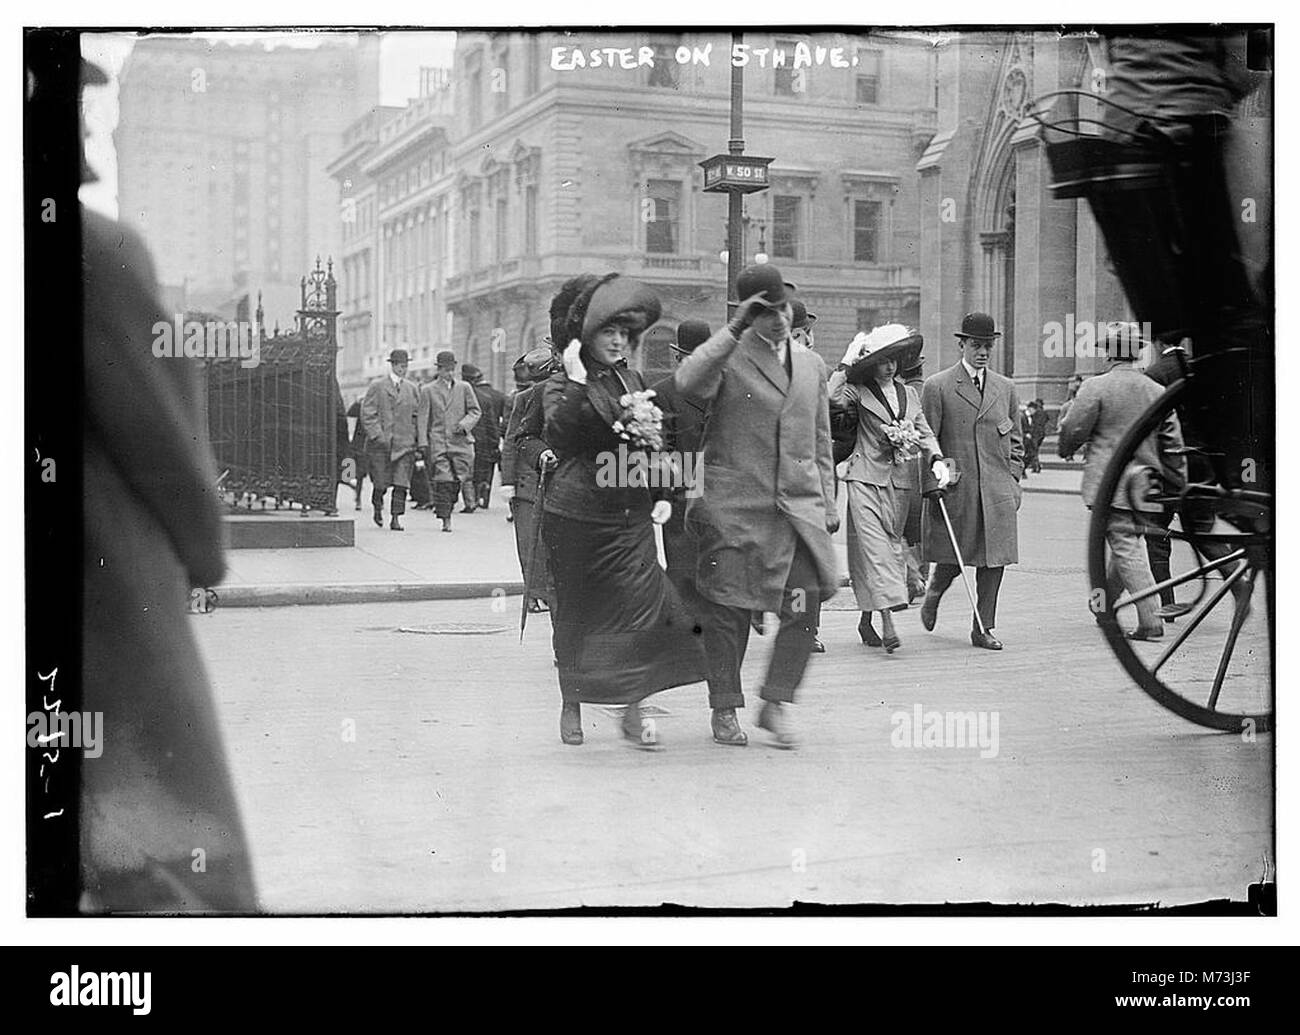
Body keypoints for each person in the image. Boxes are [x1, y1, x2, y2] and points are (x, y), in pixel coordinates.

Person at [82, 200, 257, 911]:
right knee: (162, 851)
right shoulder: (94, 249)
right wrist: (202, 550)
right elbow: (158, 424)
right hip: (97, 583)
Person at [677, 264, 841, 748]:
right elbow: (687, 381)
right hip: (737, 509)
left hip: (797, 512)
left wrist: (827, 501)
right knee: (729, 611)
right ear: (748, 314)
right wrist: (731, 330)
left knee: (805, 603)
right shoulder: (728, 357)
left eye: (783, 308)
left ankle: (776, 701)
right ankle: (725, 706)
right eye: (764, 312)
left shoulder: (812, 365)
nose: (778, 319)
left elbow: (820, 440)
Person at [542, 274, 706, 748]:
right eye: (607, 332)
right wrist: (575, 381)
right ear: (583, 338)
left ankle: (632, 707)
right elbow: (562, 436)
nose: (618, 341)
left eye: (624, 334)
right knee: (576, 614)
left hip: (628, 517)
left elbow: (650, 445)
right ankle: (571, 703)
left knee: (644, 611)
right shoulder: (561, 382)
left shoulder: (632, 379)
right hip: (577, 517)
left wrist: (661, 488)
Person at [1057, 323, 1186, 639]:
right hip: (1146, 486)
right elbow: (1173, 443)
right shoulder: (1156, 391)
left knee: (1125, 547)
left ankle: (1150, 619)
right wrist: (1176, 485)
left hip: (1109, 485)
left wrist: (1066, 448)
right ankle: (1103, 607)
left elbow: (1074, 429)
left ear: (1109, 353)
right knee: (1125, 546)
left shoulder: (1096, 387)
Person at [830, 325, 946, 653]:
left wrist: (935, 457)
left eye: (894, 360)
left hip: (898, 480)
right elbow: (828, 397)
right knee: (874, 549)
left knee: (891, 547)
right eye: (883, 361)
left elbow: (924, 432)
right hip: (864, 477)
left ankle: (867, 618)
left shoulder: (909, 394)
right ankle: (887, 620)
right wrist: (845, 364)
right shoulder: (857, 390)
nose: (890, 366)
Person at [919, 312, 1024, 651]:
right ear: (961, 344)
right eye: (977, 345)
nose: (983, 352)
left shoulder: (1005, 388)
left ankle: (983, 627)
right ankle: (935, 590)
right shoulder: (938, 386)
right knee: (955, 556)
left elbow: (1016, 441)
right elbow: (929, 441)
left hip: (997, 490)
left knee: (995, 561)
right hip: (958, 488)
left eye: (988, 347)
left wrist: (1014, 481)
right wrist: (936, 484)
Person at [651, 319, 712, 638]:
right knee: (683, 569)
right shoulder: (663, 394)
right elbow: (662, 448)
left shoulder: (727, 388)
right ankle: (687, 634)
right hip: (682, 497)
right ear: (677, 358)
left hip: (722, 498)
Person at [505, 343, 561, 613]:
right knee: (529, 541)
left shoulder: (562, 395)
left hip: (549, 479)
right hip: (527, 483)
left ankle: (546, 593)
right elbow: (512, 442)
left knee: (545, 543)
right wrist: (508, 483)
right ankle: (532, 594)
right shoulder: (525, 398)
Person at [417, 350, 481, 532]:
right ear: (439, 370)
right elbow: (422, 419)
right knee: (443, 480)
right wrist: (423, 442)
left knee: (458, 480)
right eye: (446, 370)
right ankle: (446, 519)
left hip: (460, 442)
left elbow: (475, 411)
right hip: (438, 442)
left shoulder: (464, 388)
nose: (450, 373)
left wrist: (464, 424)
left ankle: (449, 506)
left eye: (452, 369)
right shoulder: (428, 390)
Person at [360, 348, 420, 531]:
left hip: (404, 445)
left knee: (401, 483)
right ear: (393, 366)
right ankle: (377, 506)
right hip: (381, 446)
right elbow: (367, 413)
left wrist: (415, 437)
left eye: (406, 366)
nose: (404, 369)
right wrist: (378, 435)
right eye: (401, 366)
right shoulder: (377, 387)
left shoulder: (411, 389)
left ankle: (396, 518)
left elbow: (417, 415)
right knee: (380, 483)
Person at [461, 363, 506, 512]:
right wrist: (494, 443)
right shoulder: (490, 397)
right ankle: (483, 496)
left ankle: (471, 498)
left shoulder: (459, 395)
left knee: (468, 471)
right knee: (483, 470)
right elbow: (492, 423)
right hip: (484, 441)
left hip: (464, 438)